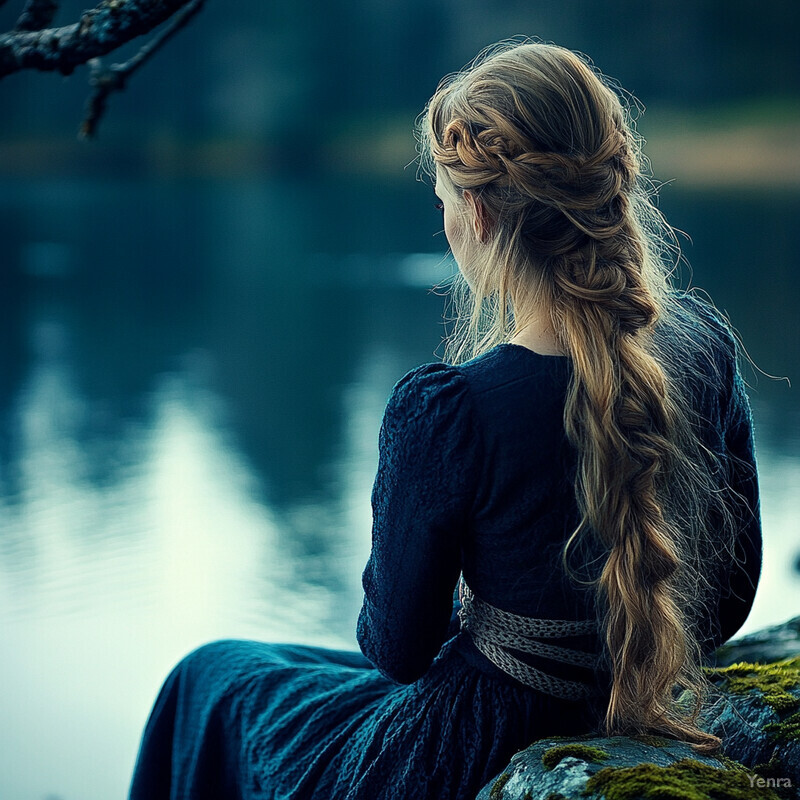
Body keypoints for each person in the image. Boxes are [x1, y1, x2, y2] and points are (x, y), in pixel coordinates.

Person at [128, 39, 762, 800]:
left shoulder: (451, 412)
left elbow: (396, 647)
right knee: (279, 664)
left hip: (477, 734)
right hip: (646, 684)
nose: (447, 226)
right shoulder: (702, 347)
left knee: (212, 676)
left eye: (442, 204)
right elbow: (727, 598)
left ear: (480, 212)